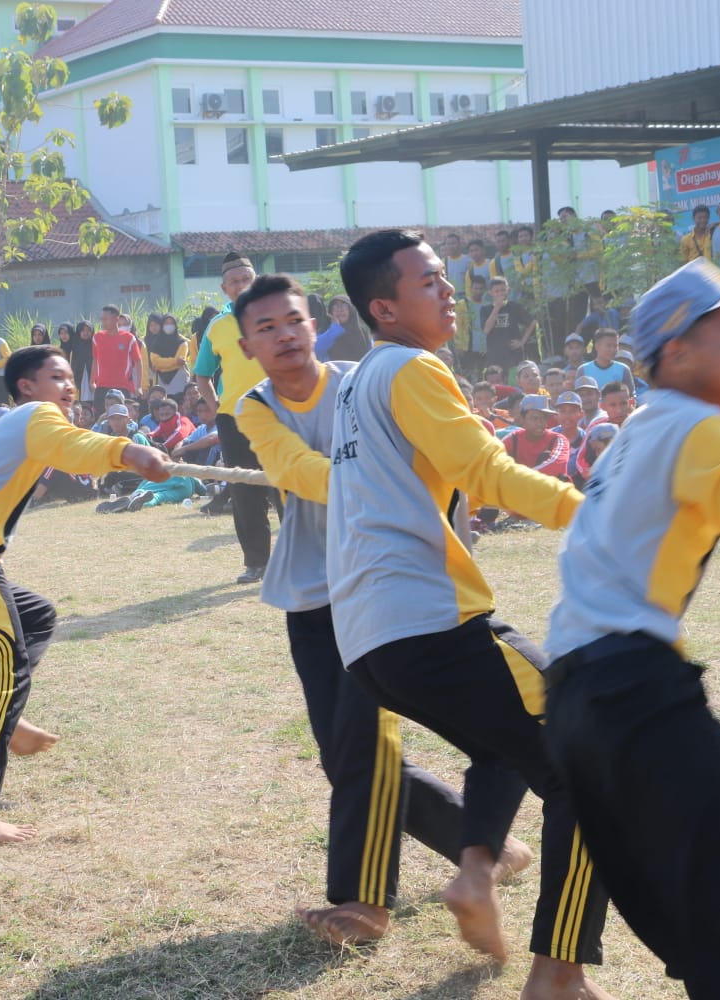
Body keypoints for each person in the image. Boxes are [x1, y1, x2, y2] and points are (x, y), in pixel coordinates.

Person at [329, 229, 609, 999]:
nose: (448, 290)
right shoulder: (414, 367)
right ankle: (558, 973)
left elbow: (450, 477)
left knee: (508, 740)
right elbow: (484, 468)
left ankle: (476, 871)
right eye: (429, 282)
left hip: (371, 643)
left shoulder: (359, 380)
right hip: (430, 621)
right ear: (384, 308)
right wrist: (593, 515)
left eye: (446, 277)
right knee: (600, 760)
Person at [232, 272, 524, 946]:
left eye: (294, 320)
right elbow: (293, 469)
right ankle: (481, 844)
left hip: (377, 585)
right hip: (310, 591)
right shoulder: (255, 406)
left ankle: (364, 904)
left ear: (317, 325)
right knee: (344, 755)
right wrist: (373, 477)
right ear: (247, 346)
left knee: (367, 742)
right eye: (266, 328)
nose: (284, 335)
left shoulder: (367, 380)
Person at [543, 257, 720, 998]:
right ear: (675, 352)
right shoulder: (698, 432)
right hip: (636, 696)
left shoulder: (634, 432)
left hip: (573, 708)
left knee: (703, 933)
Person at [0, 345, 170, 845]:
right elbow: (75, 447)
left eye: (71, 378)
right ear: (27, 386)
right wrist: (129, 452)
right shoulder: (36, 415)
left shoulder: (6, 428)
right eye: (57, 377)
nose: (69, 387)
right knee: (1, 677)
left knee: (37, 616)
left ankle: (5, 713)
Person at [193, 253, 274, 583]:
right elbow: (202, 376)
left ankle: (299, 560)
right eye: (235, 281)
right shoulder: (217, 326)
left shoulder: (276, 315)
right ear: (225, 288)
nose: (242, 285)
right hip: (234, 418)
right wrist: (216, 410)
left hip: (279, 412)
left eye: (247, 278)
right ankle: (257, 562)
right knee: (244, 489)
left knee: (290, 484)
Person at [502, 396, 570, 480]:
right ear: (523, 419)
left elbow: (557, 464)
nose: (540, 423)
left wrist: (522, 478)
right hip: (521, 488)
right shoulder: (514, 438)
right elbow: (494, 458)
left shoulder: (558, 439)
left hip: (549, 490)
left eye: (544, 418)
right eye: (534, 418)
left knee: (545, 455)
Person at [480, 276, 536, 372]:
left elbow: (532, 322)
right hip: (494, 354)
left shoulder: (514, 307)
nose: (500, 293)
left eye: (503, 290)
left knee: (513, 380)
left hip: (513, 354)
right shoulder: (485, 309)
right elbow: (486, 330)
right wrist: (496, 308)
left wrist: (522, 341)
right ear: (490, 293)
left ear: (508, 290)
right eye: (496, 291)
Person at [90, 305, 144, 402]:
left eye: (106, 319)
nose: (103, 322)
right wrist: (92, 381)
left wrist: (139, 386)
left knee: (121, 416)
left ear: (116, 319)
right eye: (102, 319)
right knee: (101, 417)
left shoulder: (129, 338)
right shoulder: (97, 338)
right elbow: (95, 360)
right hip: (101, 386)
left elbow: (138, 361)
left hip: (123, 386)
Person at [145, 312, 189, 397]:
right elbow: (155, 361)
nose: (169, 326)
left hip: (179, 380)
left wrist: (160, 366)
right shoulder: (156, 342)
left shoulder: (182, 343)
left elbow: (180, 362)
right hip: (160, 382)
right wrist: (175, 361)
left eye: (172, 323)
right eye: (166, 323)